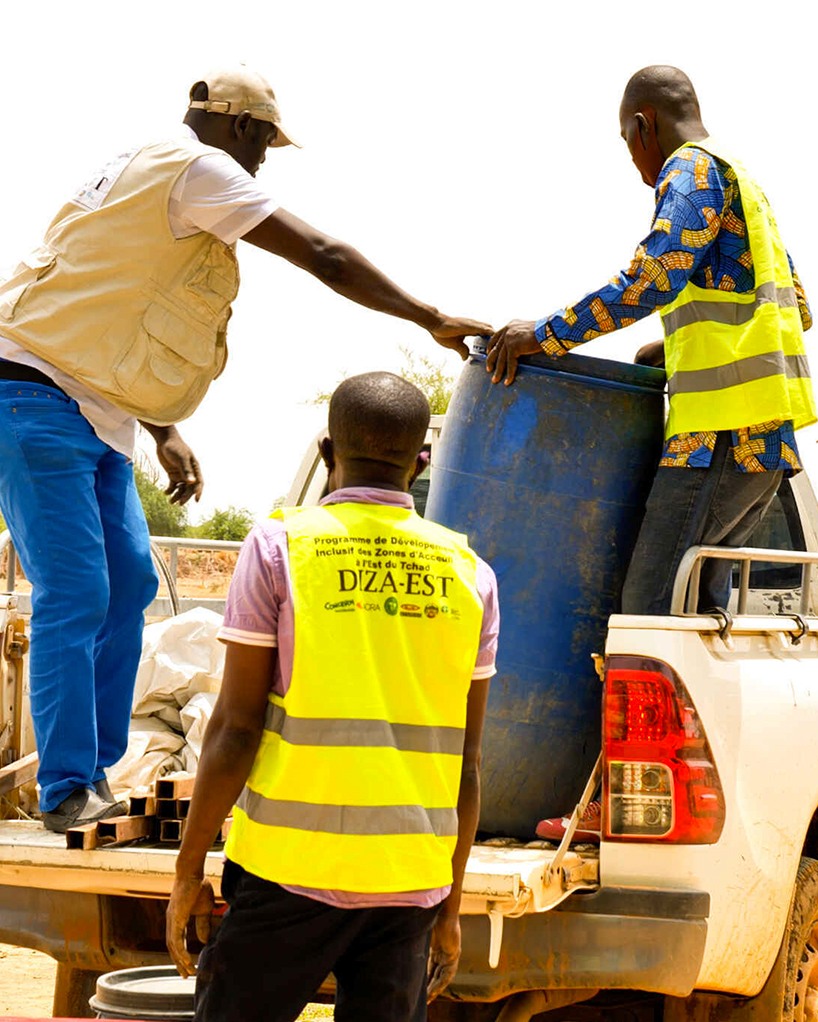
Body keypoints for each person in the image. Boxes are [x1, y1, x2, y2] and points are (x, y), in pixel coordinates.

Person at [0, 66, 490, 832]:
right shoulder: (202, 168)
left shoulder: (148, 168)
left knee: (127, 585)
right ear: (243, 128)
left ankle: (90, 772)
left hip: (94, 408)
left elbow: (110, 299)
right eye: (264, 143)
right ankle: (67, 786)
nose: (262, 163)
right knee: (77, 592)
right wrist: (429, 317)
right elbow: (323, 254)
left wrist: (163, 427)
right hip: (32, 395)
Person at [165, 371, 499, 1022]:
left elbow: (235, 728)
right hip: (409, 881)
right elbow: (468, 762)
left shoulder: (279, 548)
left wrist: (186, 870)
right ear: (421, 459)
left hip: (289, 869)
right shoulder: (471, 576)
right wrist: (450, 906)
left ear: (327, 453)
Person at [485, 64, 815, 619]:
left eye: (626, 142)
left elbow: (649, 282)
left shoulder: (688, 172)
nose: (634, 162)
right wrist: (672, 346)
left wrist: (542, 335)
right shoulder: (743, 181)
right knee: (696, 614)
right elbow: (794, 308)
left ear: (644, 125)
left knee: (649, 610)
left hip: (718, 436)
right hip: (767, 443)